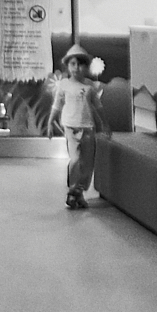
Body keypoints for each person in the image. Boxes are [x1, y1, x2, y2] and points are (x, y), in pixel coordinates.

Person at [49, 47, 105, 208]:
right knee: (75, 160)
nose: (76, 68)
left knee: (87, 164)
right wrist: (50, 123)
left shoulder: (89, 87)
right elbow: (57, 105)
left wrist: (104, 123)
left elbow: (98, 107)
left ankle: (79, 192)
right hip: (70, 128)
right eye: (73, 64)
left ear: (86, 68)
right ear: (68, 66)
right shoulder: (64, 85)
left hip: (88, 128)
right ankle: (72, 188)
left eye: (80, 65)